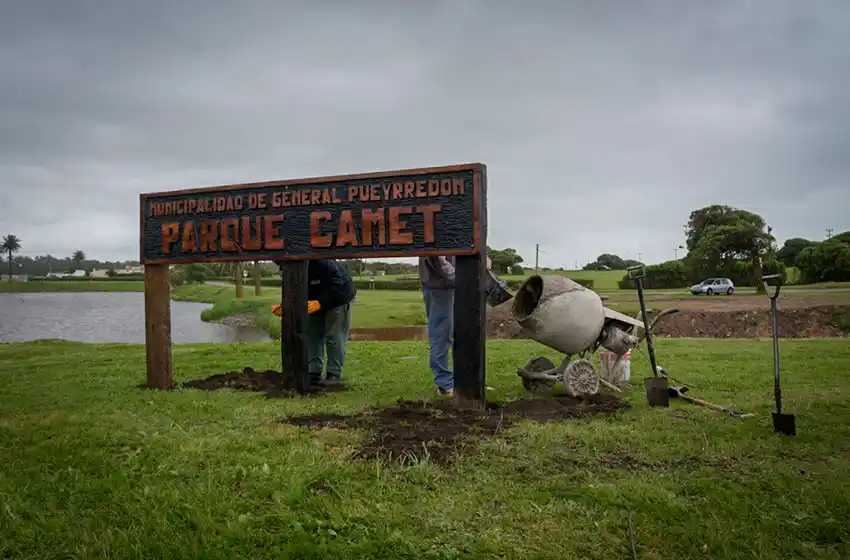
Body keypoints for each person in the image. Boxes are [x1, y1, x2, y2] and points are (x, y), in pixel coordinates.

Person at [272, 259, 356, 386]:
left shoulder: (323, 263)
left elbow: (339, 286)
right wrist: (286, 306)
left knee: (334, 336)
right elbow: (295, 288)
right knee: (313, 335)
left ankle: (334, 374)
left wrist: (321, 303)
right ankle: (314, 372)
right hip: (314, 299)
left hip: (338, 299)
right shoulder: (291, 267)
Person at [418, 256, 456, 395]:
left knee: (462, 332)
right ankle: (445, 384)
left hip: (454, 286)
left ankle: (465, 382)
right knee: (441, 335)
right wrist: (465, 274)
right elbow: (435, 258)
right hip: (439, 288)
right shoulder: (432, 234)